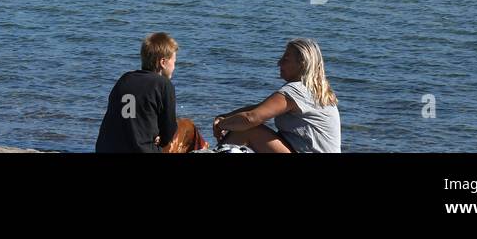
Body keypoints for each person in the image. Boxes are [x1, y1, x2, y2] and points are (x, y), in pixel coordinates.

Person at [212, 38, 341, 153]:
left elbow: (251, 118)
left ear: (302, 63)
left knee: (248, 129)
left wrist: (221, 124)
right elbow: (257, 108)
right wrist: (225, 117)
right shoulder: (316, 90)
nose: (279, 63)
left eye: (285, 59)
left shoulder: (296, 90)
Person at [95, 33, 203, 152]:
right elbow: (169, 131)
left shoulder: (124, 79)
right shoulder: (163, 84)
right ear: (163, 62)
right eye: (174, 62)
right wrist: (161, 138)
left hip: (106, 147)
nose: (174, 67)